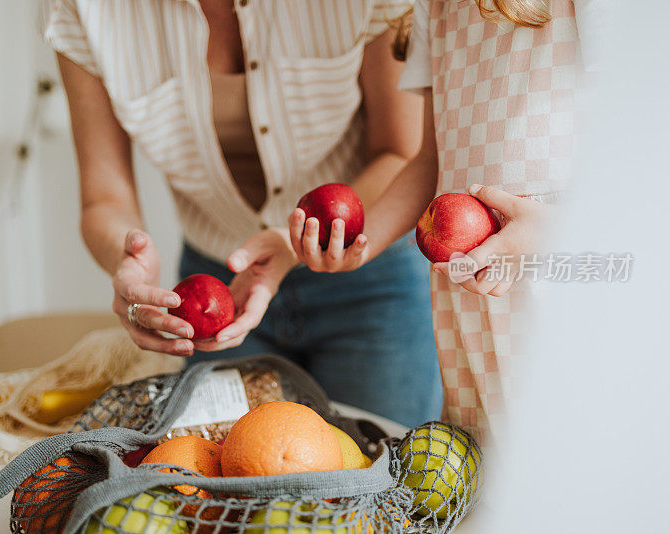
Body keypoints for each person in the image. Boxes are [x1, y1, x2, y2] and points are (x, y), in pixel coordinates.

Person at [41, 0, 442, 427]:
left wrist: (297, 242)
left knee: (386, 471)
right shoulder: (84, 9)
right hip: (219, 289)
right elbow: (105, 196)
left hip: (370, 279)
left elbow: (399, 153)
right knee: (228, 474)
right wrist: (127, 263)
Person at [289, 0, 602, 445]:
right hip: (473, 313)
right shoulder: (435, 9)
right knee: (491, 476)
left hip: (565, 298)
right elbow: (431, 162)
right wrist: (359, 243)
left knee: (572, 464)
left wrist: (562, 229)